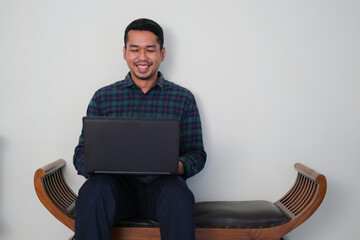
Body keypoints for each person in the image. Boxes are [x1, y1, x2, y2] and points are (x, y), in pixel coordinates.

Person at [73, 18, 207, 240]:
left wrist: (178, 166)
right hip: (115, 193)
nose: (142, 57)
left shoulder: (182, 98)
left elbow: (197, 154)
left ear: (162, 54)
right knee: (95, 189)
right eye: (135, 49)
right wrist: (97, 165)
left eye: (150, 50)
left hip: (161, 193)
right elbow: (80, 154)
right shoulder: (103, 97)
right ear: (125, 52)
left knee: (176, 190)